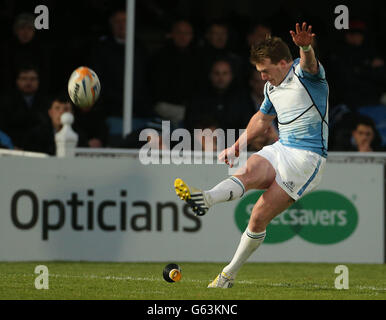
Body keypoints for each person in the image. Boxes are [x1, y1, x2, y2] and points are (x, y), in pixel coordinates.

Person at [174, 22, 329, 288]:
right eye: (259, 72)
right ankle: (206, 199)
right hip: (282, 147)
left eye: (265, 71)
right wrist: (237, 145)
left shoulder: (306, 76)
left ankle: (228, 275)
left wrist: (305, 46)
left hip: (307, 159)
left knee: (258, 216)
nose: (262, 77)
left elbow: (310, 63)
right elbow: (261, 118)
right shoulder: (271, 88)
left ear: (283, 63)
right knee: (245, 172)